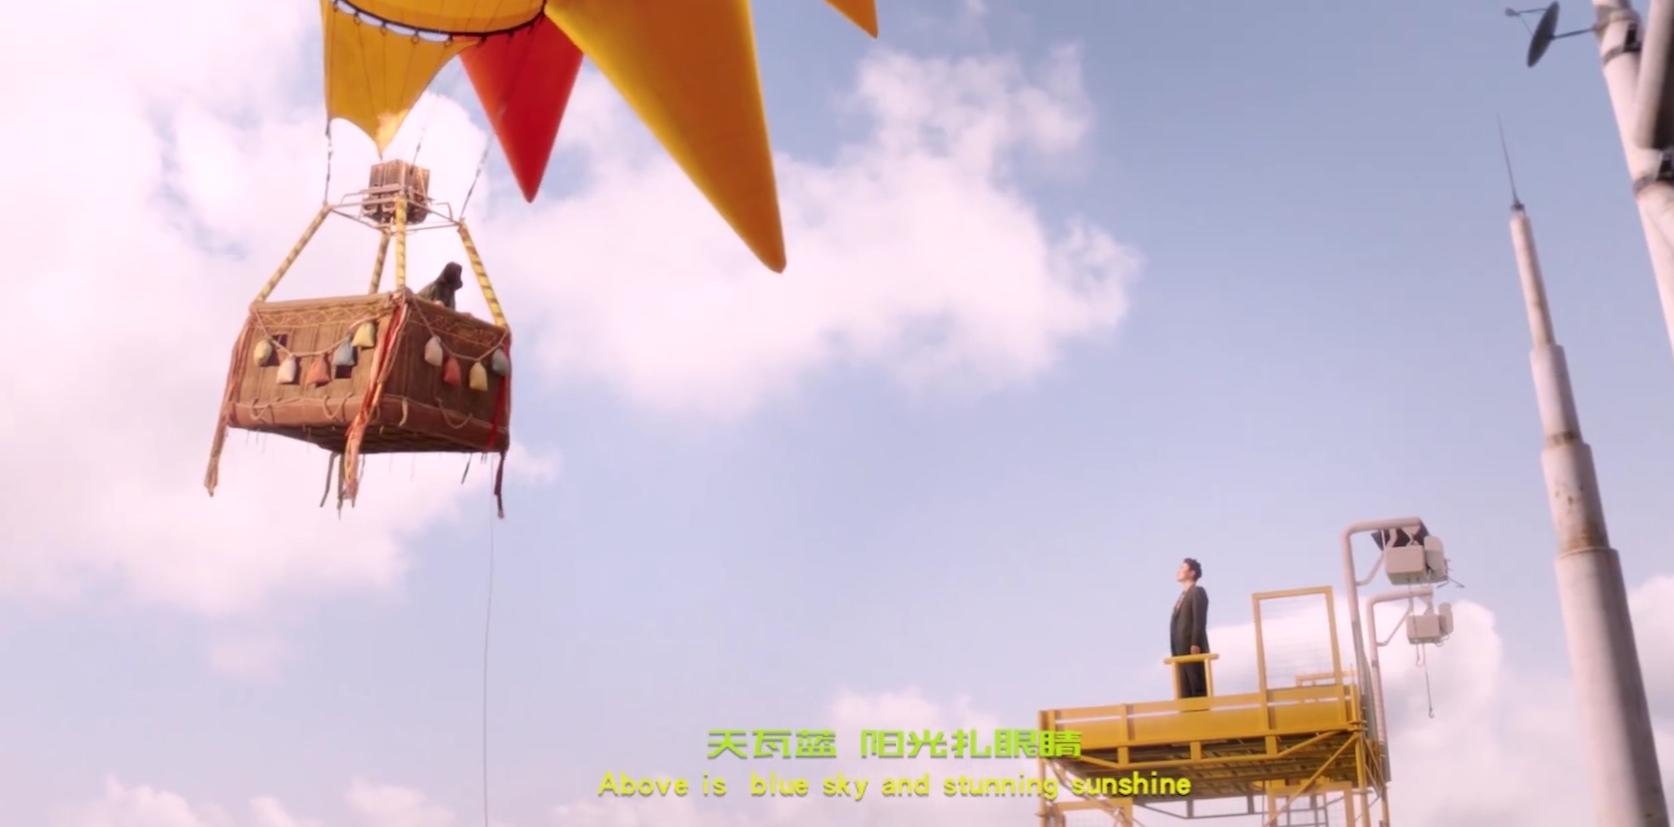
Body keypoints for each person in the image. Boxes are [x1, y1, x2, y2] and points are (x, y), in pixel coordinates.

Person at [1170, 557, 1210, 699]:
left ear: (1192, 573)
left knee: (1196, 688)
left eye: (1182, 568)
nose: (1179, 570)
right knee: (1184, 691)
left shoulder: (1197, 591)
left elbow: (1199, 619)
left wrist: (1195, 643)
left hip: (1192, 649)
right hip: (1179, 652)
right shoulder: (1181, 596)